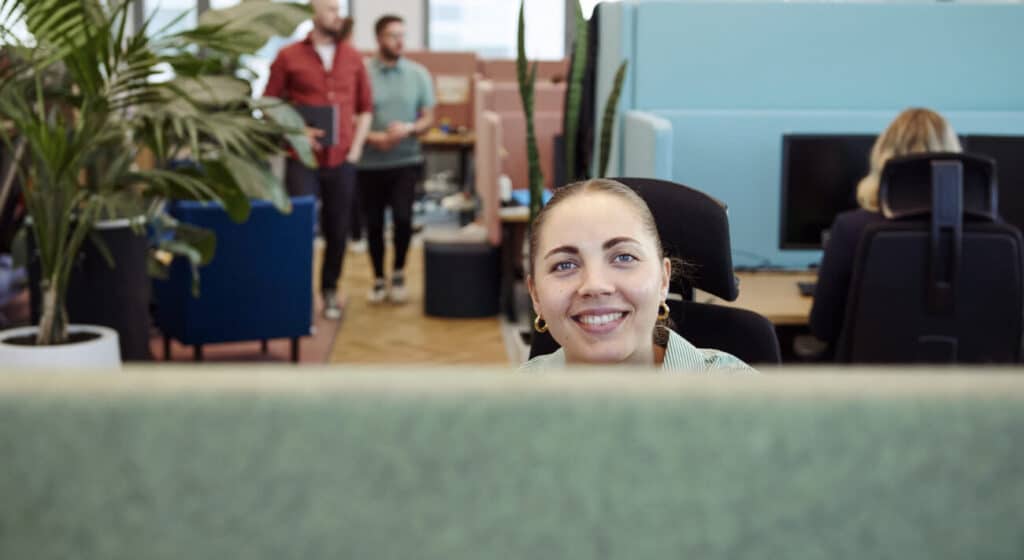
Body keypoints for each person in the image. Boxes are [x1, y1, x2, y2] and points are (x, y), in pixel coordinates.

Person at [521, 179, 755, 372]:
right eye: (564, 265)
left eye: (624, 257)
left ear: (663, 280)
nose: (595, 285)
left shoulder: (742, 397)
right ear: (536, 295)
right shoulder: (512, 402)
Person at [809, 108, 962, 348]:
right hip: (975, 372)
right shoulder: (997, 236)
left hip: (872, 371)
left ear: (883, 158)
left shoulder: (852, 229)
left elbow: (823, 327)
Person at [264, 0, 372, 320]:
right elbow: (269, 105)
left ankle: (329, 290)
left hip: (342, 158)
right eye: (331, 10)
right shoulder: (288, 56)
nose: (338, 16)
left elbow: (366, 108)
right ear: (313, 13)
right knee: (299, 228)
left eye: (339, 9)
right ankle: (298, 294)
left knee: (338, 230)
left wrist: (356, 150)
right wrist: (295, 130)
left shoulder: (353, 57)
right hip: (302, 157)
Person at [357, 14, 435, 304]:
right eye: (393, 35)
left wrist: (409, 129)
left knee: (403, 219)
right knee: (374, 224)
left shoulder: (418, 74)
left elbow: (428, 118)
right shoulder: (362, 72)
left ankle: (399, 272)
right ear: (379, 38)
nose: (399, 41)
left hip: (406, 160)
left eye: (402, 35)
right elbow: (350, 117)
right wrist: (373, 137)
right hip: (369, 163)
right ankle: (378, 278)